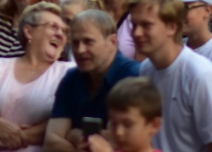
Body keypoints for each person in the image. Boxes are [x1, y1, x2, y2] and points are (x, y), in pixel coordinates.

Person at [130, 0, 212, 152]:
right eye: (134, 25)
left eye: (146, 25)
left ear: (172, 27)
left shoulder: (202, 76)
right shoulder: (146, 69)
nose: (137, 33)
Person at [0, 1, 72, 151]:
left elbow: (67, 121)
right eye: (53, 27)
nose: (60, 34)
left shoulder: (69, 73)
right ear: (29, 32)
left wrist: (14, 138)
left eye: (64, 31)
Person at [44, 9, 141, 150]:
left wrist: (74, 134)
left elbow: (126, 141)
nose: (80, 50)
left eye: (88, 42)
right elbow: (51, 142)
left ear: (113, 42)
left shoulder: (133, 77)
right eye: (75, 43)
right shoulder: (71, 78)